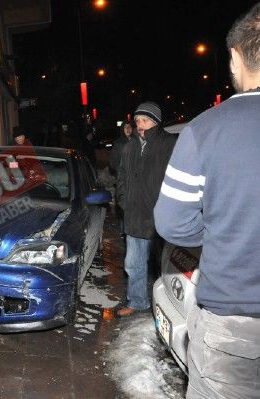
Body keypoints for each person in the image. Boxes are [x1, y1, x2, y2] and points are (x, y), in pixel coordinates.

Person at [154, 4, 260, 397]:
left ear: (234, 56)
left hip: (233, 318)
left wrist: (219, 234)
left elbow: (172, 222)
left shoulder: (206, 129)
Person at [116, 101, 176, 317]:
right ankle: (138, 301)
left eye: (145, 120)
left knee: (167, 266)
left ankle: (171, 306)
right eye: (138, 120)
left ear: (156, 122)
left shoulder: (169, 143)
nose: (140, 125)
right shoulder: (130, 146)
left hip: (161, 217)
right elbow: (121, 176)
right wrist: (123, 200)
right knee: (133, 264)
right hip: (134, 215)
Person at [109, 120, 134, 238]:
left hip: (135, 181)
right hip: (123, 181)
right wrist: (120, 173)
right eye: (126, 127)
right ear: (122, 130)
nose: (128, 129)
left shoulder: (136, 142)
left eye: (130, 127)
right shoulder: (119, 144)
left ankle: (131, 229)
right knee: (123, 205)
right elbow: (112, 162)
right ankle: (124, 230)